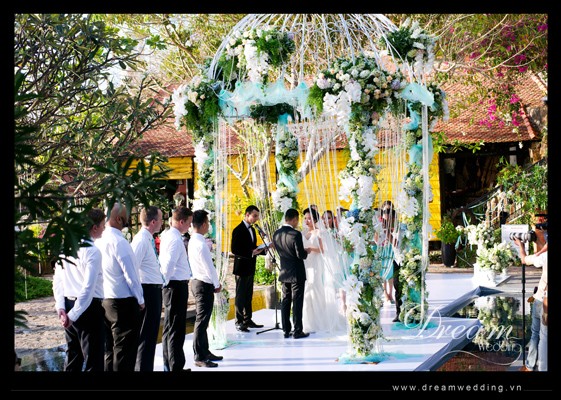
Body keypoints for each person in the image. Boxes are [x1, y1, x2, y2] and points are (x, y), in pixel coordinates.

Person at [52, 208, 106, 371]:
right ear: (94, 227)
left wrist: (61, 307)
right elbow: (88, 288)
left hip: (69, 305)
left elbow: (57, 281)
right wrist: (72, 315)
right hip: (88, 309)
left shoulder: (67, 247)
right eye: (103, 225)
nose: (104, 228)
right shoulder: (93, 252)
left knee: (73, 357)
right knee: (93, 360)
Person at [96, 202, 145, 371]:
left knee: (109, 350)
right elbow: (131, 275)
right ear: (118, 219)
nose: (127, 221)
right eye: (126, 218)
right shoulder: (120, 242)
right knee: (124, 352)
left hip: (104, 299)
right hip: (122, 302)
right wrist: (140, 299)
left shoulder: (98, 241)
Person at [159, 206, 193, 372]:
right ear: (181, 222)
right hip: (175, 286)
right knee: (175, 328)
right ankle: (175, 366)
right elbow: (167, 265)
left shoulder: (169, 235)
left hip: (174, 285)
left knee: (171, 326)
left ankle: (170, 364)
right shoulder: (174, 239)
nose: (190, 226)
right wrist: (164, 284)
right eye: (189, 223)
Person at [188, 209, 223, 368]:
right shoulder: (200, 244)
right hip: (203, 283)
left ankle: (205, 351)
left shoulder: (194, 241)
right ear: (203, 225)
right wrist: (216, 284)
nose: (209, 225)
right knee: (201, 321)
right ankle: (199, 356)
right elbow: (209, 267)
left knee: (204, 320)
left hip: (198, 281)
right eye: (208, 223)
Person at [130, 206, 164, 371]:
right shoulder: (141, 241)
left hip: (153, 290)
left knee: (151, 336)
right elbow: (132, 269)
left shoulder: (148, 239)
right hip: (147, 291)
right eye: (161, 219)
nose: (162, 222)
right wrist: (139, 297)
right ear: (153, 222)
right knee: (146, 336)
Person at [272, 208, 311, 339]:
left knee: (285, 301)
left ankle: (286, 330)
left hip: (284, 272)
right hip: (297, 272)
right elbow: (301, 255)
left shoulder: (276, 234)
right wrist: (306, 251)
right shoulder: (295, 234)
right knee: (297, 302)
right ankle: (298, 330)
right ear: (294, 219)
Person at [514, 225, 548, 372]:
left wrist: (521, 246)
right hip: (542, 300)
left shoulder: (545, 255)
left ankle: (531, 366)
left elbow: (525, 260)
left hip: (541, 299)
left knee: (537, 334)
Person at [230, 205, 265, 332]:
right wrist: (251, 253)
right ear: (247, 215)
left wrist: (263, 249)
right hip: (241, 267)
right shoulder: (238, 230)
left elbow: (252, 247)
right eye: (254, 216)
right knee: (240, 296)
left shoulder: (253, 229)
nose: (256, 219)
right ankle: (239, 321)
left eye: (257, 216)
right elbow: (235, 249)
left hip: (250, 266)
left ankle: (247, 319)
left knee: (248, 295)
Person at [301, 207, 328, 333]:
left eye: (309, 219)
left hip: (316, 263)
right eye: (305, 218)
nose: (307, 221)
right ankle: (307, 321)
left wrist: (311, 249)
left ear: (316, 220)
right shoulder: (303, 232)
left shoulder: (319, 232)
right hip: (305, 264)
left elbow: (323, 250)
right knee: (307, 290)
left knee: (315, 288)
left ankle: (319, 320)